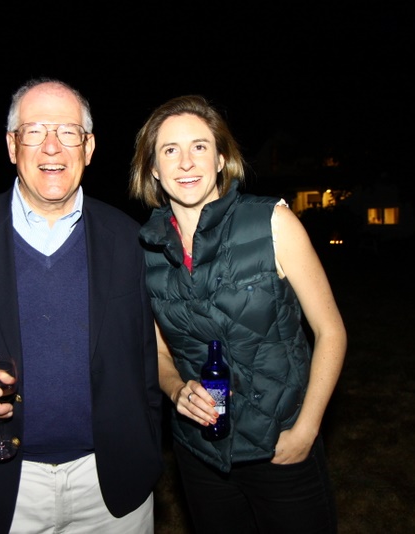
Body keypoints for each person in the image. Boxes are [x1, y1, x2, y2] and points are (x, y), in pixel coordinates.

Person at [0, 78, 163, 534]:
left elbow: (146, 359)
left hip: (112, 486)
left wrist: (148, 445)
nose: (52, 147)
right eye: (35, 131)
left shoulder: (130, 240)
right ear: (12, 145)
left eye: (67, 132)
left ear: (89, 147)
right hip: (1, 484)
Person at [128, 95, 347, 533]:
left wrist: (307, 429)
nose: (186, 162)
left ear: (221, 159)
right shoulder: (146, 249)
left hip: (281, 447)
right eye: (170, 150)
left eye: (200, 146)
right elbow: (159, 353)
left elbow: (330, 331)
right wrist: (177, 390)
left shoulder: (272, 223)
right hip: (200, 454)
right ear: (152, 168)